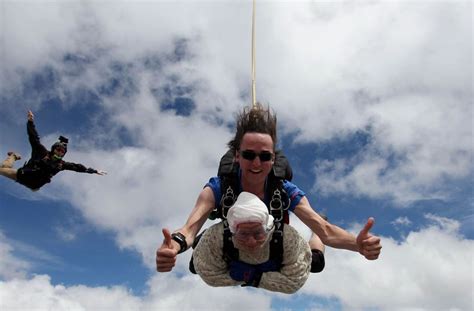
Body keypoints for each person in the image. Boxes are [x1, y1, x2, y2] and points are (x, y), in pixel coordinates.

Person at [156, 103, 382, 274]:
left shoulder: (283, 190)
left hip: (270, 238)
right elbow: (189, 229)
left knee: (316, 264)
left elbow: (325, 229)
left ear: (273, 159)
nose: (256, 163)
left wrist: (357, 245)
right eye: (248, 155)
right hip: (237, 237)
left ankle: (312, 242)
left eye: (264, 156)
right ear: (237, 156)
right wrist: (174, 246)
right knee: (196, 265)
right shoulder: (218, 187)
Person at [191, 191, 312, 294]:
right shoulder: (216, 237)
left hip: (276, 256)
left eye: (258, 233)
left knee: (317, 263)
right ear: (233, 231)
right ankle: (200, 238)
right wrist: (245, 277)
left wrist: (256, 278)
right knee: (194, 266)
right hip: (219, 248)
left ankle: (315, 235)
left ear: (268, 228)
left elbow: (294, 281)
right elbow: (209, 275)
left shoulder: (288, 237)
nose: (251, 242)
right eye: (243, 234)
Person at [0, 110, 106, 191]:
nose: (60, 153)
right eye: (58, 150)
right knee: (1, 169)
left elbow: (77, 167)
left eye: (62, 152)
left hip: (35, 186)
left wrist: (94, 171)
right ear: (53, 149)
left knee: (34, 188)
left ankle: (13, 156)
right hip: (21, 176)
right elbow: (34, 138)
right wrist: (30, 122)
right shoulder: (42, 152)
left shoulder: (61, 164)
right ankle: (13, 156)